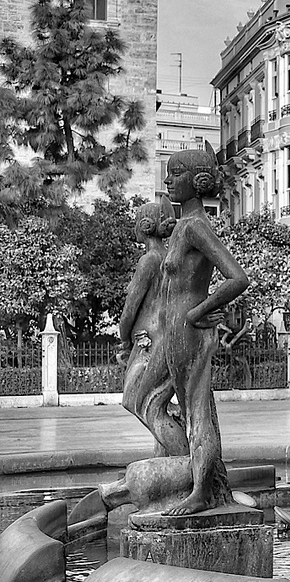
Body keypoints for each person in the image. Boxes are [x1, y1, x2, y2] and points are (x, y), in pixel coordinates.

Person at [158, 146, 251, 516]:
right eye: (168, 172)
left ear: (198, 182)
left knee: (197, 411)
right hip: (177, 332)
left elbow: (237, 278)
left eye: (176, 172)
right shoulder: (182, 226)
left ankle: (201, 493)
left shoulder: (195, 226)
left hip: (190, 331)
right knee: (194, 410)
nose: (168, 179)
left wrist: (199, 312)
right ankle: (206, 485)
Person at [119, 196, 186, 459]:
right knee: (156, 404)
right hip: (162, 337)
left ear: (144, 226)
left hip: (149, 342)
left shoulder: (149, 261)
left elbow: (130, 309)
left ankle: (181, 458)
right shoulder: (170, 257)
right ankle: (164, 460)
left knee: (138, 403)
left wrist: (124, 338)